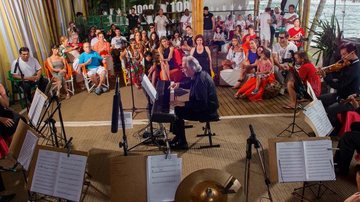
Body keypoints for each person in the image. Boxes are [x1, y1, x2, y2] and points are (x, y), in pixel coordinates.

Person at [169, 56, 219, 149]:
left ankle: (182, 142)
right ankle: (178, 136)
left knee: (177, 110)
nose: (183, 70)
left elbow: (201, 104)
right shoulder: (198, 74)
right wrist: (179, 84)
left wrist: (183, 104)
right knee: (176, 107)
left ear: (192, 68)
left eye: (184, 68)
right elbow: (191, 82)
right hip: (204, 105)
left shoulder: (201, 80)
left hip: (207, 111)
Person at [318, 42, 360, 131]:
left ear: (352, 53)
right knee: (319, 100)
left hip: (349, 99)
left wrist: (326, 76)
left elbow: (339, 86)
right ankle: (326, 125)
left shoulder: (355, 68)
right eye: (341, 55)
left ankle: (334, 129)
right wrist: (330, 70)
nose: (342, 57)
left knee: (330, 109)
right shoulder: (348, 63)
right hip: (340, 95)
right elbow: (338, 76)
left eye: (344, 54)